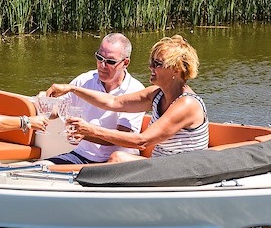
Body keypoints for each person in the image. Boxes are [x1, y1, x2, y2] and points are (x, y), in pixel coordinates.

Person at [46, 35, 208, 162]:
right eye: (151, 62)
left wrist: (90, 130)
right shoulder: (156, 94)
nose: (150, 67)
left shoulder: (187, 104)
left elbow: (142, 141)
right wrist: (72, 88)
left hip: (182, 171)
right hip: (160, 165)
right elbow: (113, 102)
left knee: (118, 158)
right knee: (118, 159)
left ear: (176, 70)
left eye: (157, 64)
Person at [43, 33, 146, 165]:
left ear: (125, 63)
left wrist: (86, 134)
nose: (102, 65)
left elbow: (121, 137)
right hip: (80, 156)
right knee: (30, 168)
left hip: (115, 163)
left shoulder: (135, 91)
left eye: (110, 61)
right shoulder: (85, 79)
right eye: (99, 58)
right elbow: (58, 109)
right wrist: (45, 103)